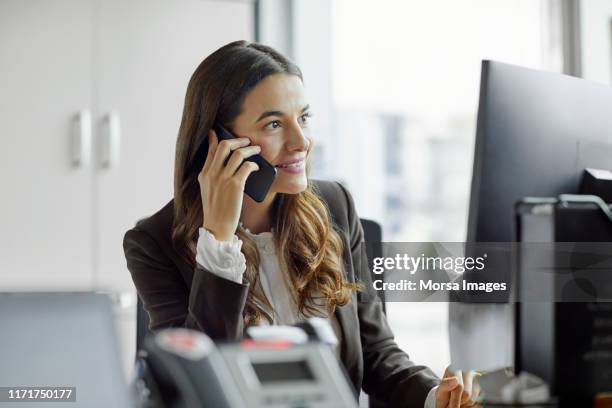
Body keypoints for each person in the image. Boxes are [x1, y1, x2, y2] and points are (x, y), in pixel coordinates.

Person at [123, 40, 479, 408]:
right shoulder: (153, 243)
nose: (302, 142)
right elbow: (198, 387)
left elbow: (376, 353)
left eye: (304, 118)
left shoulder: (336, 207)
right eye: (274, 124)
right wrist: (218, 239)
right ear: (219, 142)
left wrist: (436, 395)